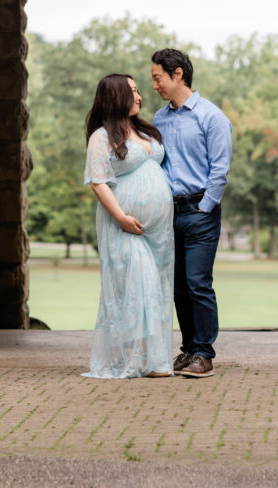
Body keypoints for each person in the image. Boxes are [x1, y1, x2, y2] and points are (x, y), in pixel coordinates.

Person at [82, 73, 174, 378]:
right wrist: (121, 216)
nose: (140, 96)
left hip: (157, 233)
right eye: (133, 91)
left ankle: (152, 358)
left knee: (155, 289)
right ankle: (136, 359)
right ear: (116, 96)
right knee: (137, 286)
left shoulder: (142, 130)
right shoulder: (100, 136)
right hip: (122, 225)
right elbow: (98, 182)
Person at [151, 48, 232, 379]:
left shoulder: (212, 117)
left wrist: (206, 205)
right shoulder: (158, 119)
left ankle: (204, 353)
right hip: (168, 213)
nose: (154, 84)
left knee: (198, 282)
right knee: (178, 286)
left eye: (157, 77)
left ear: (178, 74)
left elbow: (220, 168)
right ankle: (188, 349)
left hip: (200, 210)